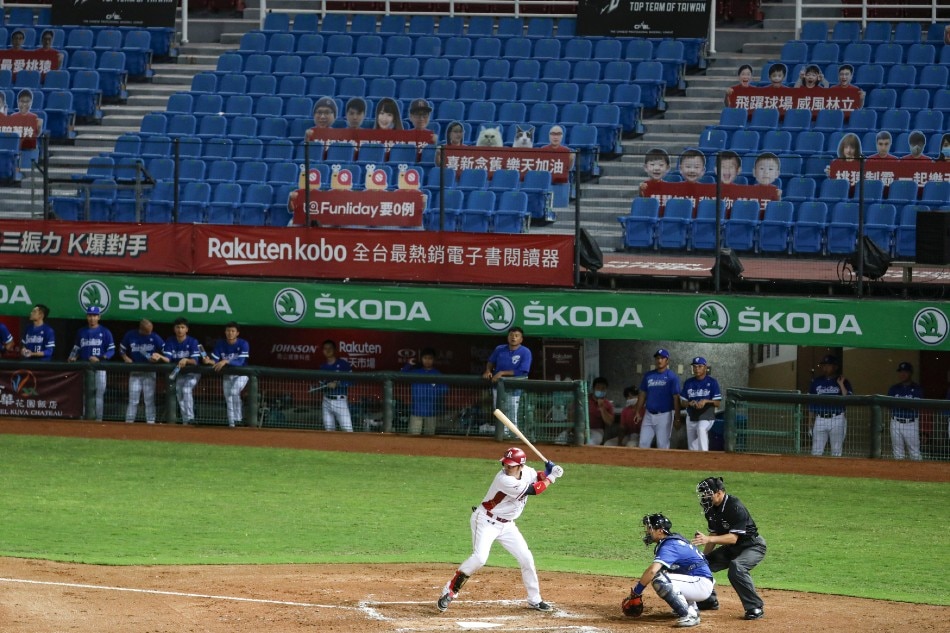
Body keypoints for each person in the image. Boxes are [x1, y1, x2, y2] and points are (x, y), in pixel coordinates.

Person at [437, 447, 564, 613]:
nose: (506, 467)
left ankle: (535, 600)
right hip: (485, 521)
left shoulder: (527, 472)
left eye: (511, 465)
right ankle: (450, 591)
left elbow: (537, 477)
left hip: (507, 525)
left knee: (526, 558)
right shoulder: (504, 480)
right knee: (480, 558)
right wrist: (553, 476)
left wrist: (547, 472)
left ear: (521, 466)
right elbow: (534, 490)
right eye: (505, 464)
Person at [691, 476, 766, 621]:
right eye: (703, 494)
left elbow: (733, 537)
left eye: (707, 493)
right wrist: (702, 558)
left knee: (737, 567)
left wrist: (708, 539)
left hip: (753, 546)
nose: (704, 497)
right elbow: (714, 533)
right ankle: (708, 600)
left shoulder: (734, 506)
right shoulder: (710, 509)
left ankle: (754, 607)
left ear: (719, 493)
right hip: (732, 547)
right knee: (701, 564)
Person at [624, 513, 714, 628]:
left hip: (700, 584)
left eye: (650, 528)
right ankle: (690, 607)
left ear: (660, 530)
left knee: (659, 579)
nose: (647, 532)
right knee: (666, 573)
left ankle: (688, 614)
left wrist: (636, 593)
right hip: (698, 580)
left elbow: (652, 571)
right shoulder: (673, 540)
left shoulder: (669, 545)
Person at [67, 306, 116, 422]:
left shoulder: (105, 332)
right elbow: (76, 348)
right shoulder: (81, 332)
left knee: (98, 395)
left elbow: (111, 350)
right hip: (84, 367)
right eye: (90, 315)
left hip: (100, 368)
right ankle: (84, 417)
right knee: (84, 395)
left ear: (99, 317)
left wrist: (101, 358)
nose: (92, 318)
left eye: (94, 315)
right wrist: (72, 356)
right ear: (87, 317)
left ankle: (98, 419)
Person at [632, 349, 682, 449]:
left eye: (662, 358)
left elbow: (676, 398)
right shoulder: (648, 375)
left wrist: (677, 417)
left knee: (662, 445)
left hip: (665, 415)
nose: (659, 361)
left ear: (667, 360)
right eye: (657, 358)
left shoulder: (672, 377)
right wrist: (637, 411)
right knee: (643, 443)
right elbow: (642, 394)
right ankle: (643, 464)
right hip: (649, 414)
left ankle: (663, 464)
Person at [118, 318, 165, 424]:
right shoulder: (131, 335)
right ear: (141, 329)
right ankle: (129, 423)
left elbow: (166, 352)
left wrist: (158, 357)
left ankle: (151, 423)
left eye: (150, 330)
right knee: (133, 400)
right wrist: (125, 357)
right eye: (147, 331)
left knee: (149, 400)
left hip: (149, 371)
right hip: (135, 371)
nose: (149, 333)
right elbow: (121, 349)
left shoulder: (154, 336)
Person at [482, 326, 532, 425]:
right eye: (511, 335)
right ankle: (502, 435)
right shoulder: (500, 349)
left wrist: (502, 373)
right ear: (508, 337)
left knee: (512, 413)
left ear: (521, 339)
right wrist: (488, 370)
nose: (513, 337)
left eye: (516, 336)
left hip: (514, 387)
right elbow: (491, 361)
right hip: (499, 386)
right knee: (499, 412)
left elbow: (522, 370)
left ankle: (512, 436)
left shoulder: (525, 352)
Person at [160, 317, 206, 425]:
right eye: (178, 327)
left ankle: (190, 418)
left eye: (182, 327)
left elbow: (195, 361)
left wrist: (186, 359)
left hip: (193, 373)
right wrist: (159, 357)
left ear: (187, 329)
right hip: (180, 373)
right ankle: (186, 421)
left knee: (186, 390)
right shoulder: (170, 341)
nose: (180, 330)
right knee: (180, 394)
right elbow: (168, 358)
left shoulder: (193, 341)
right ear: (174, 329)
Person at [807, 354, 853, 457]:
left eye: (828, 365)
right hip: (820, 418)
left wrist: (841, 384)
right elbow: (811, 402)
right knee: (816, 451)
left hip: (837, 417)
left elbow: (848, 398)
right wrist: (810, 421)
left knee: (836, 452)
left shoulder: (843, 381)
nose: (825, 367)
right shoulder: (816, 381)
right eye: (824, 365)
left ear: (835, 367)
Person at [208, 321, 250, 428]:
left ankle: (238, 420)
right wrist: (209, 361)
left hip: (242, 374)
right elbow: (215, 360)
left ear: (237, 333)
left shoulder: (243, 343)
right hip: (228, 374)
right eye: (228, 331)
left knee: (233, 392)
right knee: (228, 398)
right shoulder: (220, 343)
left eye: (233, 331)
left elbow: (240, 363)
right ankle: (232, 423)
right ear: (225, 332)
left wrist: (226, 361)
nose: (230, 333)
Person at [401, 347, 448, 435]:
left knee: (429, 439)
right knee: (412, 438)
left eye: (430, 358)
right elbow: (401, 376)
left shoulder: (437, 374)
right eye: (425, 358)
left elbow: (444, 389)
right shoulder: (415, 372)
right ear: (421, 359)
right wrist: (408, 365)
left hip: (431, 411)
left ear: (434, 360)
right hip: (416, 411)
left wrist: (433, 391)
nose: (427, 361)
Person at [680, 357, 722, 452]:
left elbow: (718, 402)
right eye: (694, 366)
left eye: (700, 366)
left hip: (706, 415)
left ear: (705, 367)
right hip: (692, 415)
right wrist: (690, 403)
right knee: (692, 447)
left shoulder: (712, 382)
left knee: (701, 428)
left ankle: (704, 455)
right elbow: (683, 402)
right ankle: (695, 464)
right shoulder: (688, 382)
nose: (697, 369)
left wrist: (706, 401)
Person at [887, 362, 923, 461]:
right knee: (898, 454)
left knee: (915, 454)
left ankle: (918, 475)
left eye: (905, 372)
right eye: (901, 372)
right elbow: (889, 405)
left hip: (911, 423)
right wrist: (906, 405)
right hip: (895, 422)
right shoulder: (894, 388)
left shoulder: (917, 388)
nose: (902, 374)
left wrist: (899, 404)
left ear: (910, 373)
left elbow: (916, 405)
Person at [318, 339, 354, 432]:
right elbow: (321, 382)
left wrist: (338, 383)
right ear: (322, 351)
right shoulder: (322, 366)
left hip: (340, 401)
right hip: (326, 400)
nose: (328, 350)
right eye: (325, 348)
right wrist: (324, 385)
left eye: (330, 348)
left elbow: (353, 380)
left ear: (335, 350)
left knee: (347, 430)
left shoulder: (343, 364)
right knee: (329, 430)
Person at [587, 376, 616, 445]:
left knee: (591, 442)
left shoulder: (608, 404)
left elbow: (609, 422)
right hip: (582, 429)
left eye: (603, 388)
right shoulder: (585, 399)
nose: (600, 390)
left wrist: (602, 408)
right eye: (598, 388)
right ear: (593, 389)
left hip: (597, 430)